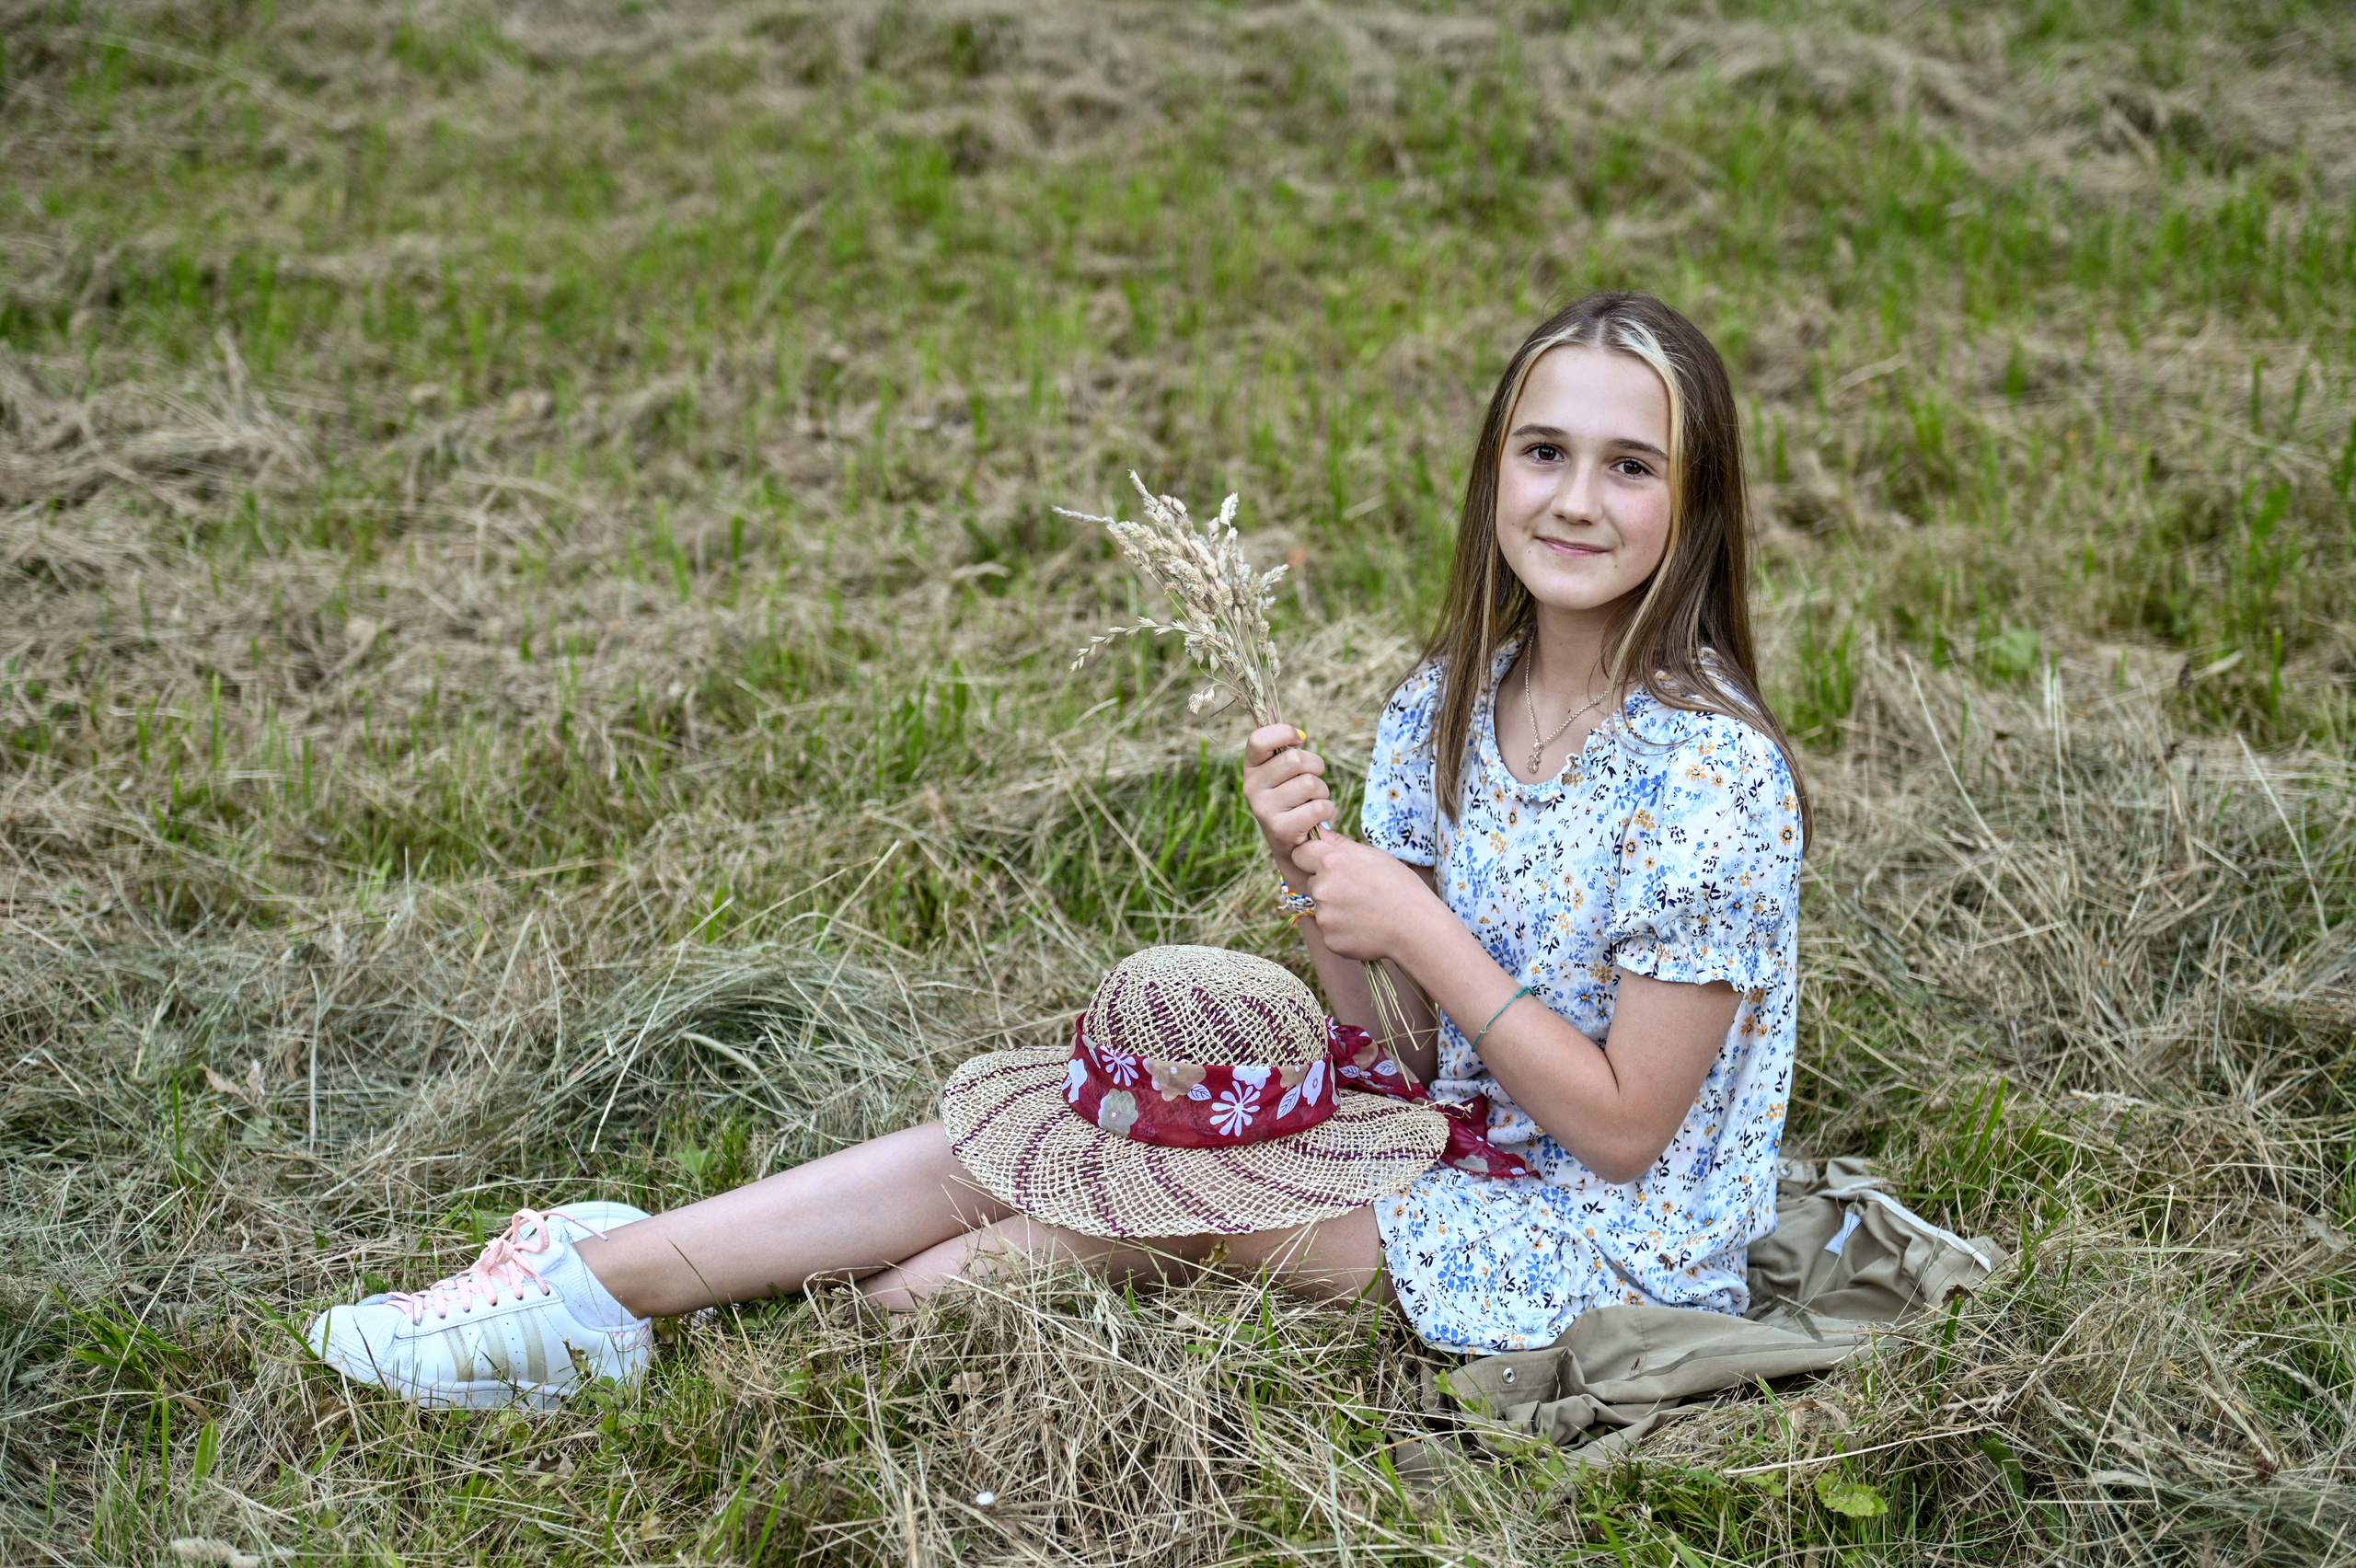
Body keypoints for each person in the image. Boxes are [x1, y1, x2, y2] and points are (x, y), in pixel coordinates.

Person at [306, 290, 1807, 1407]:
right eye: (1545, 450)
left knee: (970, 1283)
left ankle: (597, 1318)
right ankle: (589, 1277)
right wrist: (1330, 915)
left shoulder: (1714, 778)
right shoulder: (1449, 706)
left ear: (1696, 504)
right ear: (1494, 471)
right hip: (1440, 1148)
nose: (1574, 499)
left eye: (1630, 467)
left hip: (1600, 1243)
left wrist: (1418, 931)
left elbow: (1620, 1130)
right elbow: (1405, 1070)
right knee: (1054, 1128)